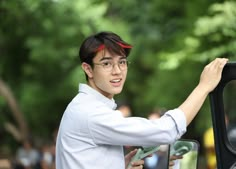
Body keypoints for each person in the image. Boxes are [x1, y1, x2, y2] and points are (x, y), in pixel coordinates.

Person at [55, 31, 228, 169]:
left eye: (122, 62)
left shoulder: (85, 107)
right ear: (88, 69)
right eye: (107, 64)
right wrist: (203, 87)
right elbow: (166, 131)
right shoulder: (90, 113)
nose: (117, 71)